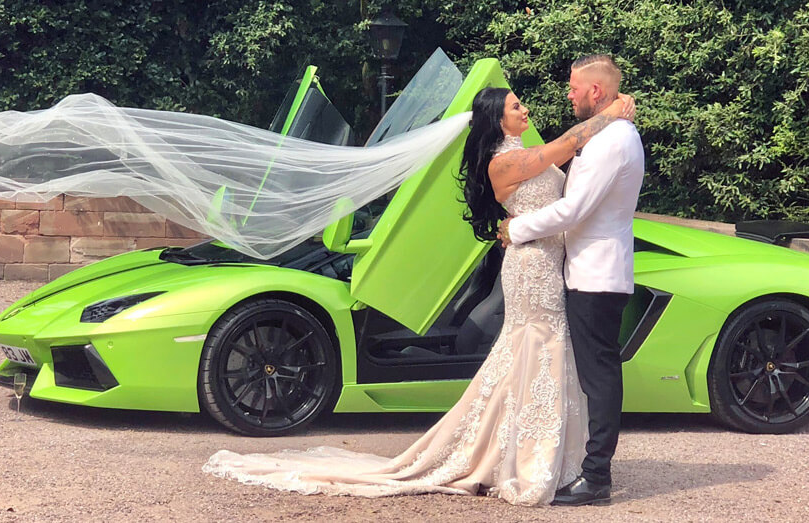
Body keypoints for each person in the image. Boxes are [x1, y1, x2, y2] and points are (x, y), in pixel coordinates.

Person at [203, 78, 634, 507]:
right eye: (515, 106)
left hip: (548, 264)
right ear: (497, 122)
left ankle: (541, 455)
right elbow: (562, 147)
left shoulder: (523, 155)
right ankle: (526, 457)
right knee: (537, 351)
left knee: (540, 357)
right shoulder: (504, 162)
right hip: (531, 266)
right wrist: (610, 113)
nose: (525, 110)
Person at [498, 54, 646, 506]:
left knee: (599, 376)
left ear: (595, 92)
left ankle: (597, 476)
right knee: (593, 373)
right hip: (588, 270)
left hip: (597, 274)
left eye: (574, 87)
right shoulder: (609, 132)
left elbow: (574, 209)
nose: (569, 93)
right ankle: (587, 466)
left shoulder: (611, 142)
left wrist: (515, 230)